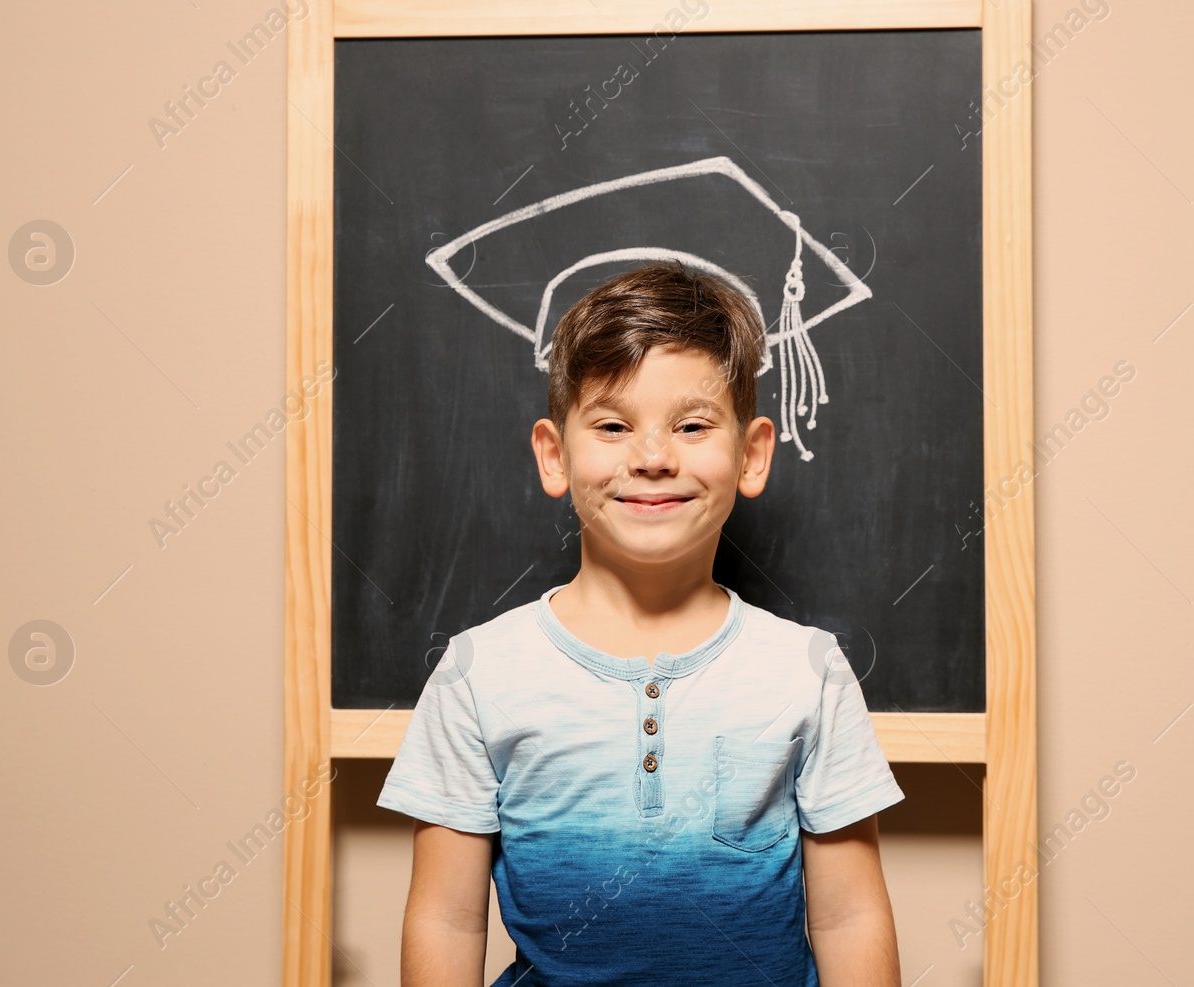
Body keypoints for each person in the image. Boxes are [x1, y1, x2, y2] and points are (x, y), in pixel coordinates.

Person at [376, 260, 905, 986]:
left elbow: (849, 916)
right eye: (614, 425)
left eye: (691, 425)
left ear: (750, 455)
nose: (653, 458)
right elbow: (446, 916)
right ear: (554, 455)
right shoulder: (479, 673)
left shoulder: (807, 670)